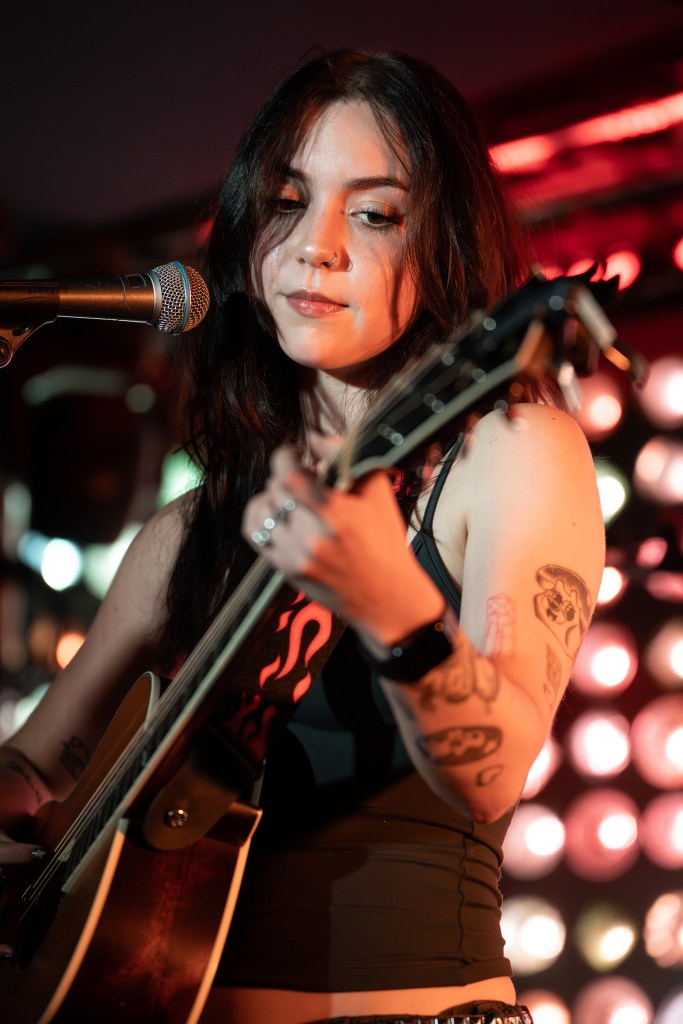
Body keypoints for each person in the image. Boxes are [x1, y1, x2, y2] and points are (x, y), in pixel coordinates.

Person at [0, 49, 605, 1024]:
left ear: (445, 242)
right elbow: (35, 769)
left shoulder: (509, 449)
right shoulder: (188, 530)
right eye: (287, 202)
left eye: (374, 214)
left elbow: (492, 773)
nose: (315, 246)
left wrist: (389, 602)